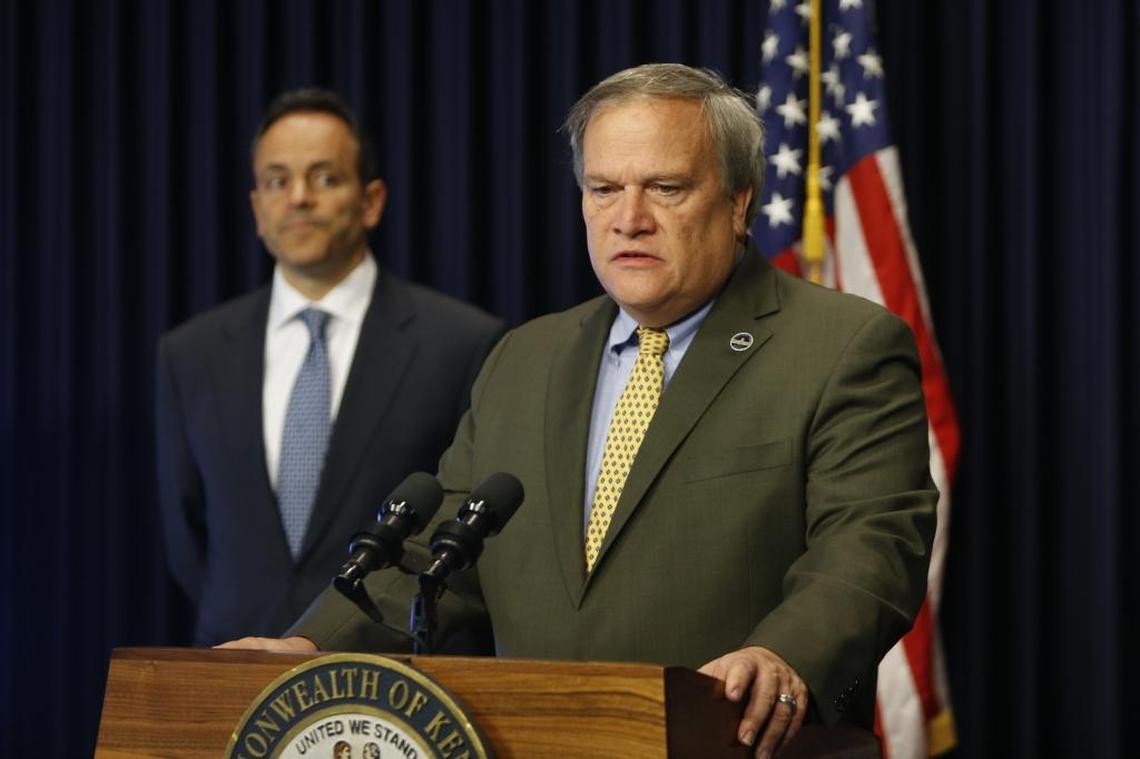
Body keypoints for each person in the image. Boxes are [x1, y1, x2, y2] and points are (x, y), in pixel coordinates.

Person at [222, 65, 936, 757]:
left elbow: (871, 544)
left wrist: (784, 652)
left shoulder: (841, 347)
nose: (630, 218)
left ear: (738, 201)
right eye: (603, 188)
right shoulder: (524, 359)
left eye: (666, 187)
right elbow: (438, 552)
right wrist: (309, 644)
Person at [156, 88, 505, 646]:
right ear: (256, 208)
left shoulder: (462, 341)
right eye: (277, 180)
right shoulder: (191, 353)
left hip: (394, 676)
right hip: (232, 668)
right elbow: (186, 534)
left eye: (324, 178)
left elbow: (464, 530)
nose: (298, 198)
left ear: (371, 200)